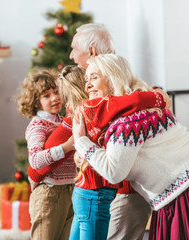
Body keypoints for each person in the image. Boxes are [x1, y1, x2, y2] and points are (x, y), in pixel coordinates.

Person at [72, 53, 189, 240]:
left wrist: (80, 141)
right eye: (86, 79)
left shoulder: (126, 123)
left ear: (113, 77)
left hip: (182, 197)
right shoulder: (143, 108)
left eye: (94, 77)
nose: (87, 84)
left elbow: (113, 172)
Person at [68, 23, 152, 240]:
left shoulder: (128, 96)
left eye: (74, 49)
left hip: (124, 192)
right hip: (95, 188)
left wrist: (81, 144)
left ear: (92, 52)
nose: (71, 56)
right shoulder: (95, 90)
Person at [17, 70, 76, 240]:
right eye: (46, 96)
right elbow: (36, 160)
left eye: (56, 92)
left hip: (70, 190)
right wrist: (66, 147)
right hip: (49, 193)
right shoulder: (38, 125)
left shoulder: (63, 121)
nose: (55, 98)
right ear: (36, 102)